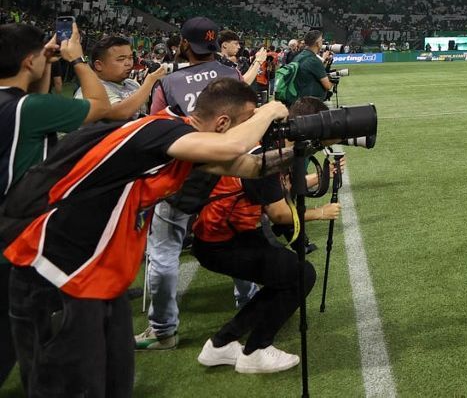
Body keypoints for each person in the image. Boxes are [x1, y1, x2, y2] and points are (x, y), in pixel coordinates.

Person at [5, 79, 293, 396]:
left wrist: (301, 146)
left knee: (114, 383)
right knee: (69, 388)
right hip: (55, 272)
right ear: (223, 123)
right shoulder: (159, 131)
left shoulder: (176, 142)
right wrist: (269, 111)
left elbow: (251, 166)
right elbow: (231, 147)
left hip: (96, 279)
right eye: (247, 123)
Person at [192, 97, 341, 374]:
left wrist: (316, 177)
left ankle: (221, 344)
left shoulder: (271, 142)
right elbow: (279, 213)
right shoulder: (264, 153)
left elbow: (277, 191)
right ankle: (256, 350)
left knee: (284, 276)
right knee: (300, 275)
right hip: (223, 242)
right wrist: (320, 212)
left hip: (227, 235)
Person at [0, 22, 111, 385]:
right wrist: (77, 60)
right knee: (33, 336)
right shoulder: (27, 110)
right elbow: (99, 104)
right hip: (17, 233)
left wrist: (43, 64)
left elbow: (37, 100)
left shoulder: (20, 105)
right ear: (28, 61)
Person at [140, 17, 246, 351]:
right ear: (215, 43)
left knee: (164, 252)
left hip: (182, 175)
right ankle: (248, 303)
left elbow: (155, 128)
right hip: (230, 170)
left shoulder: (168, 82)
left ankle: (163, 330)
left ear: (185, 44)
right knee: (240, 241)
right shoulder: (232, 74)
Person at [76, 35, 168, 122]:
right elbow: (121, 113)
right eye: (121, 59)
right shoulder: (90, 90)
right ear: (99, 65)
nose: (128, 63)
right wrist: (149, 82)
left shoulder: (132, 84)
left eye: (130, 57)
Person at [286, 30, 334, 106]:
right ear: (317, 43)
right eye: (321, 40)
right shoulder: (313, 60)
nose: (322, 42)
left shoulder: (299, 56)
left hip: (299, 101)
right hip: (311, 105)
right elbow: (327, 86)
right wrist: (333, 81)